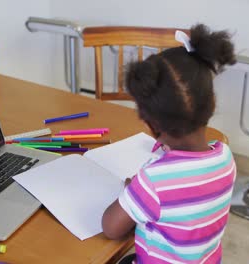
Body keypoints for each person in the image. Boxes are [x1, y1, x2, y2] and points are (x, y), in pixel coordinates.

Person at [102, 24, 237, 264]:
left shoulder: (153, 182)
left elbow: (111, 228)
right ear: (212, 103)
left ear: (150, 122)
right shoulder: (226, 157)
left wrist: (131, 192)